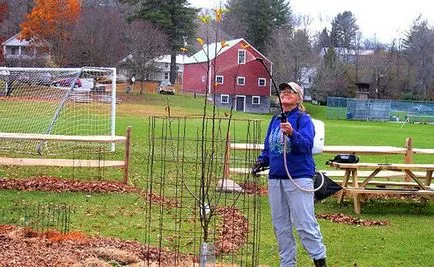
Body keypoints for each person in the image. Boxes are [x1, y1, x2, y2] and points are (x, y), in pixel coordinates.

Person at [252, 82, 327, 267]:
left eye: (290, 91)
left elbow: (307, 145)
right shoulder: (275, 120)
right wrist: (262, 161)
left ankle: (319, 260)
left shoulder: (303, 119)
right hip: (276, 179)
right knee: (281, 226)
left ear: (298, 97)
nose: (285, 93)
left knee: (304, 224)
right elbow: (269, 148)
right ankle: (287, 264)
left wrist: (293, 133)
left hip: (298, 178)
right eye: (283, 91)